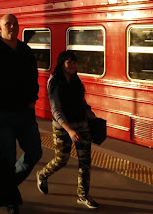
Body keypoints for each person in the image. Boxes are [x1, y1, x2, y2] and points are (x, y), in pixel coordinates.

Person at [0, 14, 42, 214]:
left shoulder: (26, 51)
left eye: (15, 24)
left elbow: (34, 77)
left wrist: (33, 100)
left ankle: (7, 187)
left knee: (35, 152)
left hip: (25, 113)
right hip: (1, 114)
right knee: (8, 157)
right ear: (0, 27)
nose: (12, 27)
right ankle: (10, 199)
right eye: (8, 24)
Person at [35, 50, 99, 209]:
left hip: (82, 126)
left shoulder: (76, 80)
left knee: (85, 162)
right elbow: (56, 110)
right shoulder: (55, 81)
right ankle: (42, 174)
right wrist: (69, 130)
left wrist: (89, 113)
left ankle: (83, 196)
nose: (73, 65)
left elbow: (81, 102)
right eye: (69, 62)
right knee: (61, 160)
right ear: (61, 63)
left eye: (75, 62)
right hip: (63, 128)